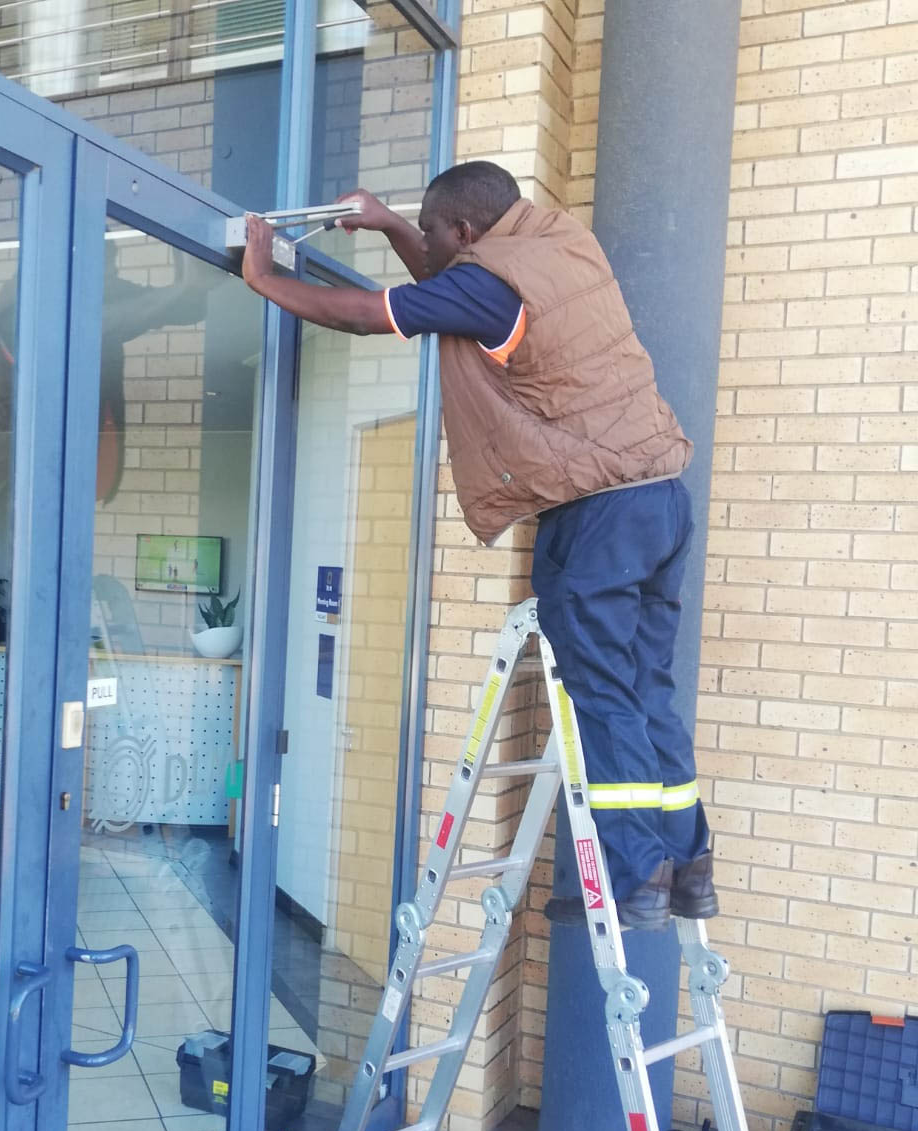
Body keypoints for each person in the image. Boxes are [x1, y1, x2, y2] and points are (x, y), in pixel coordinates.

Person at [239, 160, 716, 931]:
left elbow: (373, 313)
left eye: (432, 232)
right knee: (647, 685)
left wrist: (264, 277)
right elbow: (448, 292)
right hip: (660, 498)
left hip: (598, 511)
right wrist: (394, 223)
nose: (427, 243)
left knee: (601, 694)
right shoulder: (558, 244)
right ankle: (689, 866)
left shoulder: (491, 285)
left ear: (463, 232)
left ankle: (636, 880)